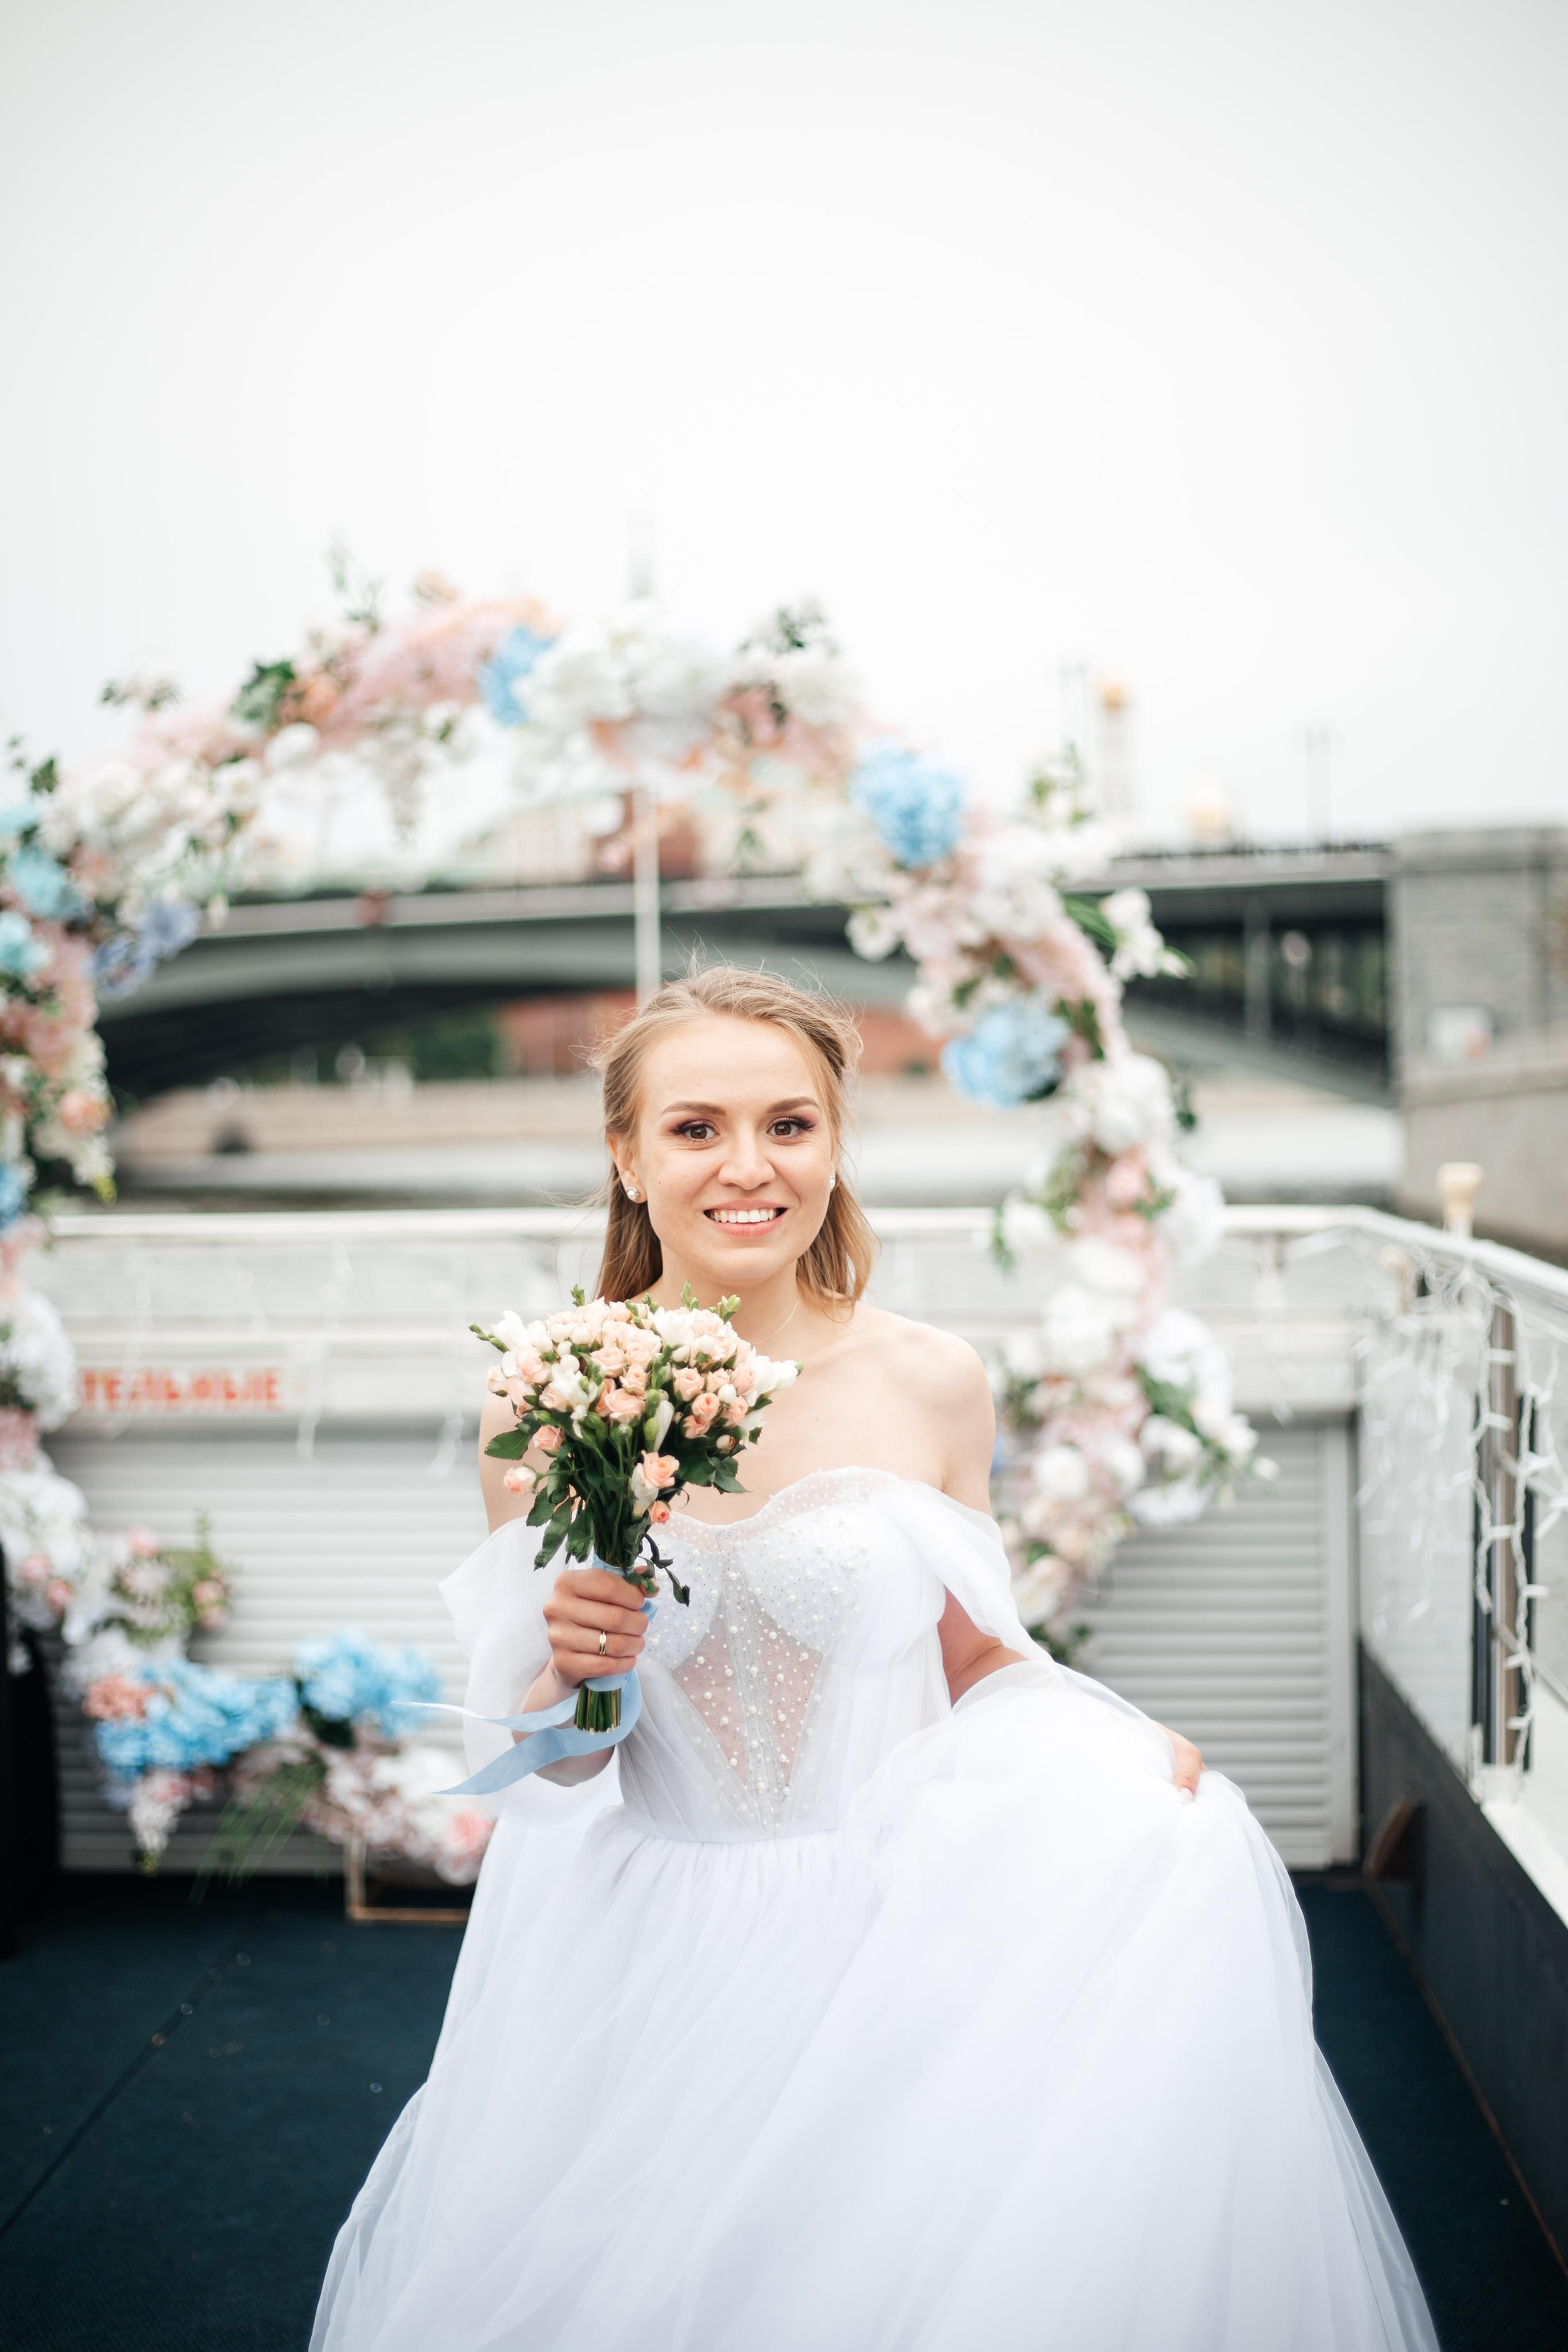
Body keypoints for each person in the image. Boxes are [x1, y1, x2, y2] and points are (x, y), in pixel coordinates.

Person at [312, 966, 1437, 2352]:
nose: (748, 1167)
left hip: (900, 1925)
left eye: (788, 1126)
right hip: (657, 1951)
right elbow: (556, 1766)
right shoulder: (543, 1400)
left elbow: (976, 1658)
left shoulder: (931, 1381)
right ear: (627, 1155)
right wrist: (573, 1672)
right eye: (696, 1128)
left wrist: (1112, 1748)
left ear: (834, 1146)